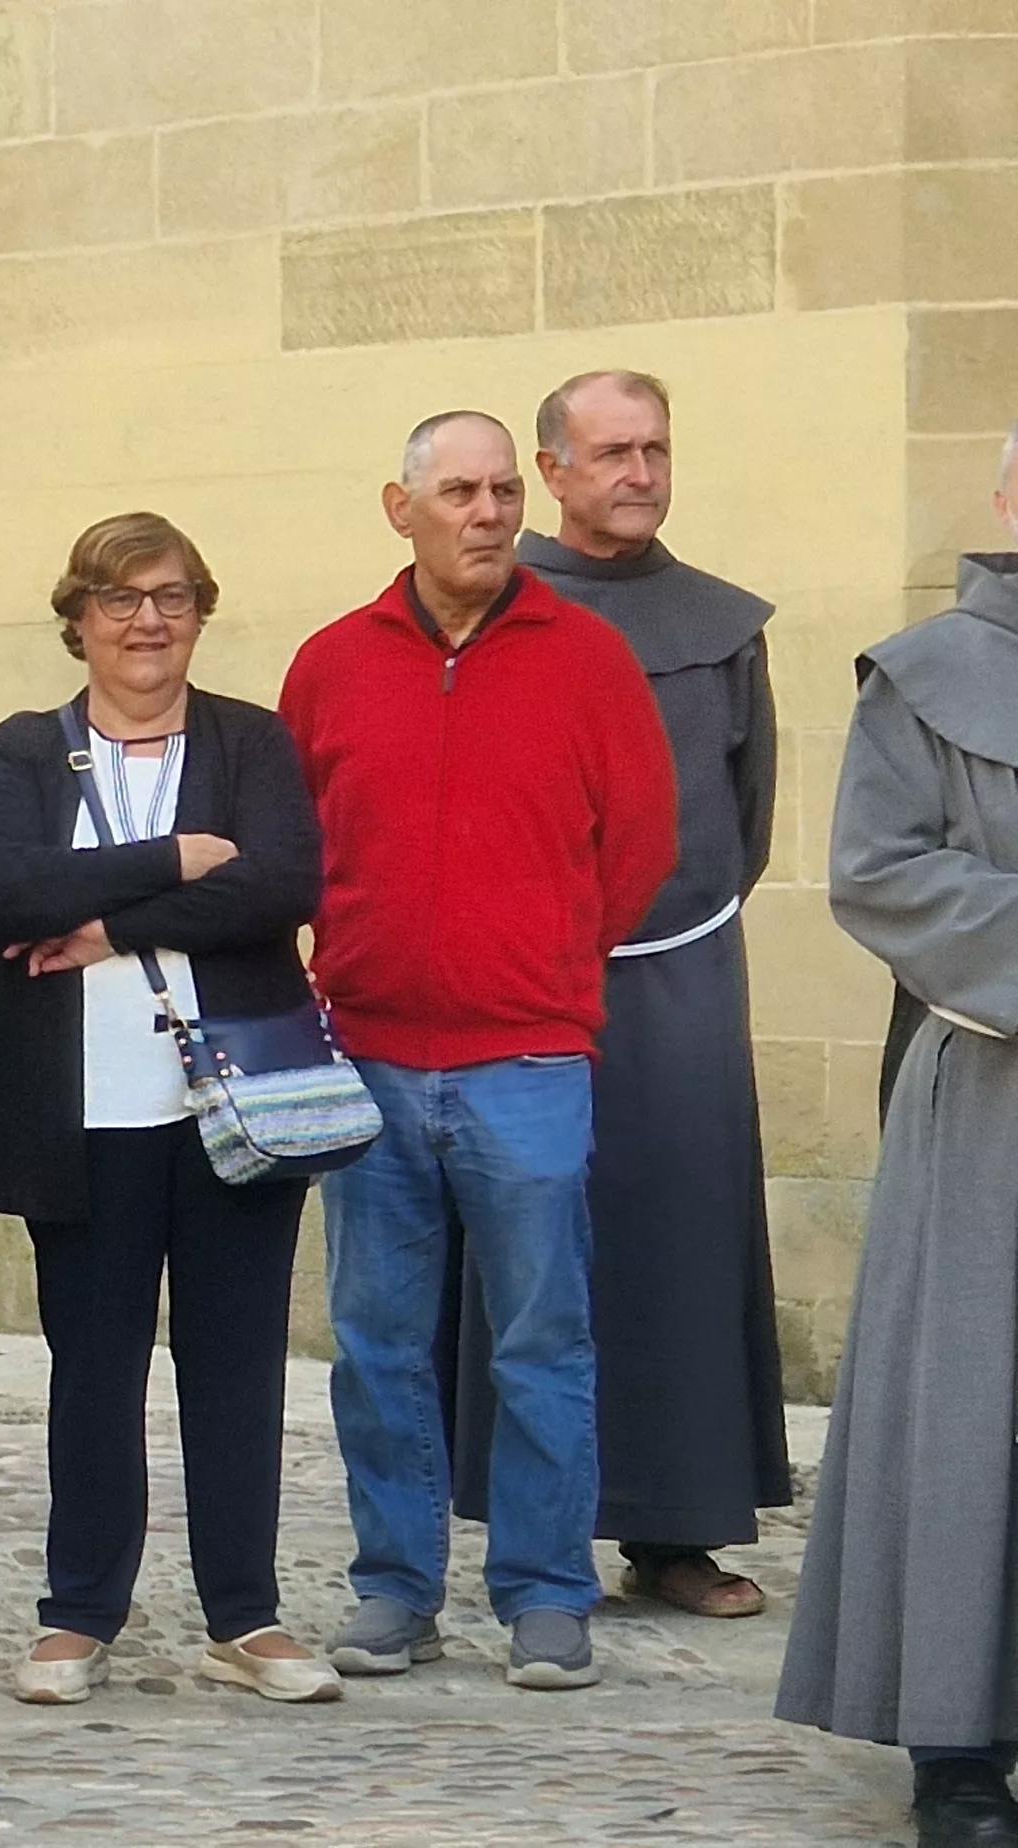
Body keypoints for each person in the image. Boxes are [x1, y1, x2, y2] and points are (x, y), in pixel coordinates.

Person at [279, 411, 676, 1692]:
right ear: (400, 509)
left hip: (527, 1063)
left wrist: (548, 962)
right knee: (377, 1345)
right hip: (370, 1060)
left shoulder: (590, 659)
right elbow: (291, 842)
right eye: (460, 490)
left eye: (505, 489)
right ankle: (394, 1589)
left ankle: (546, 1590)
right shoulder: (332, 664)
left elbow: (642, 847)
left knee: (539, 1344)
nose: (490, 512)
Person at [0, 514, 343, 1709]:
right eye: (120, 600)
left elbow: (281, 884)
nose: (147, 622)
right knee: (94, 1367)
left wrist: (113, 925)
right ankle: (78, 1614)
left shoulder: (251, 741)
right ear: (77, 618)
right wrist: (177, 862)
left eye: (171, 597)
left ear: (198, 611)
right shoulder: (24, 752)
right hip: (80, 1118)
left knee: (234, 1367)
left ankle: (247, 1614)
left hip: (233, 1107)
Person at [449, 372, 793, 1620]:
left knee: (680, 1244)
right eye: (609, 453)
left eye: (654, 449)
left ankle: (678, 1532)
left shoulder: (722, 626)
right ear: (551, 470)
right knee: (534, 1256)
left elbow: (742, 822)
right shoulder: (486, 613)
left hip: (683, 973)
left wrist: (668, 927)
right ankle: (529, 1535)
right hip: (519, 982)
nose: (637, 473)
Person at [777, 432, 1018, 1848]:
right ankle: (958, 1739)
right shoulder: (925, 674)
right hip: (992, 1097)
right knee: (970, 1407)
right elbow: (878, 870)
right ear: (1005, 501)